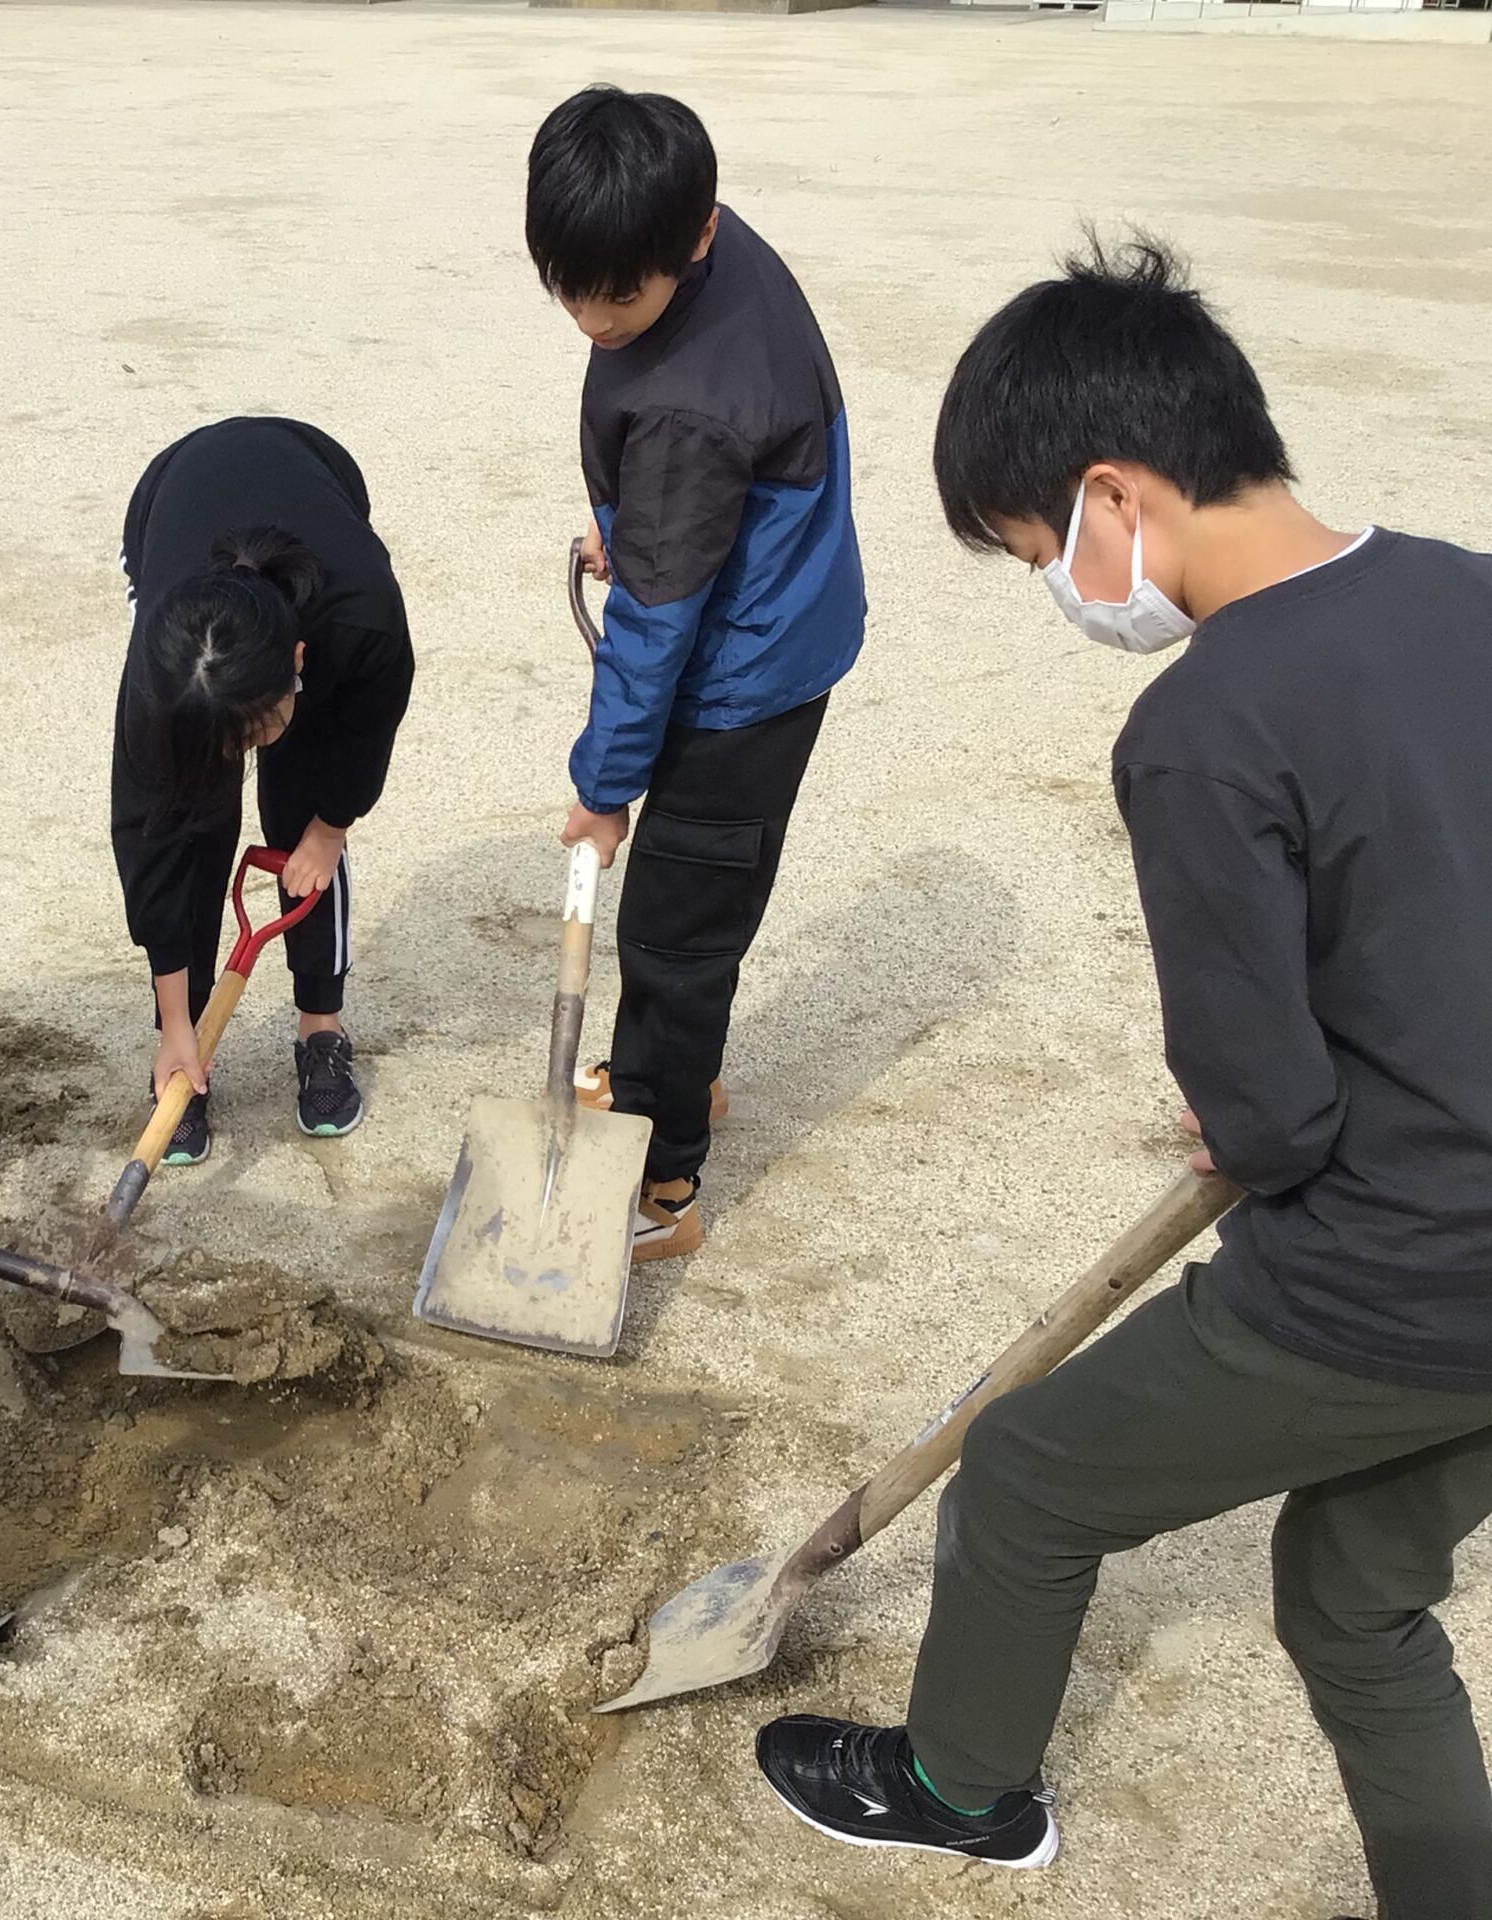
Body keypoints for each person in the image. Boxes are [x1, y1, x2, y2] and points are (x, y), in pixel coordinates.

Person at [756, 239, 1492, 1919]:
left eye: (1041, 554)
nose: (1066, 592)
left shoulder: (1207, 724)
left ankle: (960, 1791)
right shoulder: (1470, 588)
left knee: (1029, 1475)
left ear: (1115, 495)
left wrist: (1247, 1104)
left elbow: (1277, 1123)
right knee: (1357, 1594)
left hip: (1411, 1270)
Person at [524, 86, 865, 1263]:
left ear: (697, 234)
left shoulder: (683, 410)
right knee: (698, 909)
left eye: (619, 294)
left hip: (744, 677)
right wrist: (639, 523)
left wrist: (603, 784)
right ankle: (676, 1076)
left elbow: (657, 631)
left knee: (673, 928)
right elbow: (707, 496)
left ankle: (662, 1184)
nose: (593, 317)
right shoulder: (709, 246)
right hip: (781, 604)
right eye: (568, 286)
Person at [111, 416, 415, 1159]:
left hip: (315, 467)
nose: (243, 751)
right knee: (193, 818)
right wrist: (176, 1020)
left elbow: (369, 724)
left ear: (301, 659)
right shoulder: (160, 681)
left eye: (259, 725)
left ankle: (322, 1028)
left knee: (302, 795)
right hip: (171, 494)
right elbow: (151, 849)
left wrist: (328, 827)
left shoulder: (361, 618)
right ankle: (180, 1052)